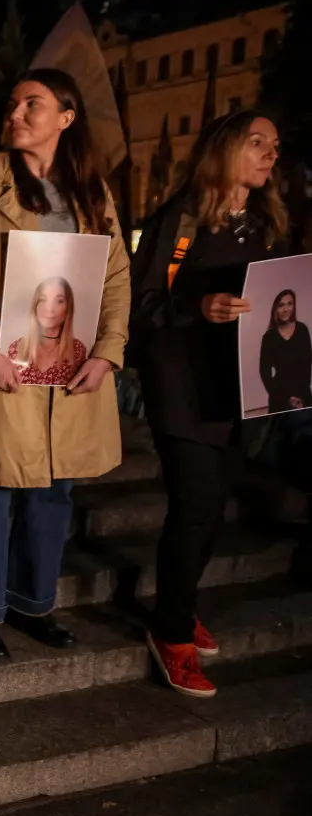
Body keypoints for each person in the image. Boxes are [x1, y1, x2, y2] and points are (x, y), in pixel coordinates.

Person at [0, 68, 130, 663]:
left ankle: (31, 604)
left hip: (69, 369)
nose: (15, 113)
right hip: (1, 363)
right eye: (12, 103)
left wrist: (108, 352)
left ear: (66, 118)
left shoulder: (93, 193)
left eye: (31, 104)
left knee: (51, 494)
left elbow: (115, 276)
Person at [129, 110, 285, 697]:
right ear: (225, 149)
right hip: (184, 389)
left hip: (240, 388)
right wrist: (199, 307)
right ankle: (171, 636)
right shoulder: (181, 217)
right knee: (194, 509)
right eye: (257, 143)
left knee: (215, 511)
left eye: (275, 145)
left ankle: (181, 600)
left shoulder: (264, 223)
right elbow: (140, 304)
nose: (271, 154)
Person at [7, 276, 88, 386]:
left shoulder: (77, 350)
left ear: (68, 307)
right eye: (43, 300)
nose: (50, 309)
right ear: (35, 306)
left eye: (59, 301)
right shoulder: (16, 348)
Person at [259, 289, 311, 414]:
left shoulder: (302, 330)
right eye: (281, 305)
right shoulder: (268, 337)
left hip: (303, 392)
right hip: (279, 395)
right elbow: (264, 371)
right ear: (275, 309)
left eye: (290, 304)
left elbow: (308, 363)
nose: (286, 309)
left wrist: (301, 396)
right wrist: (285, 397)